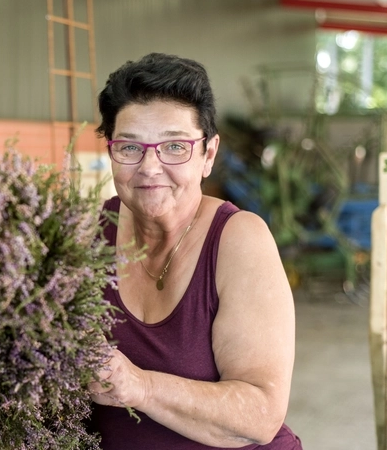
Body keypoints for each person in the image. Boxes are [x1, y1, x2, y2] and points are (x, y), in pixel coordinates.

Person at [87, 53, 302, 449]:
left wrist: (139, 387)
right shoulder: (88, 234)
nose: (150, 167)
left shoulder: (239, 240)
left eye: (174, 146)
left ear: (208, 154)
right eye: (130, 148)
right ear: (111, 152)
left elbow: (260, 416)